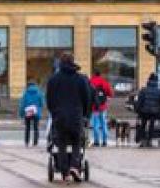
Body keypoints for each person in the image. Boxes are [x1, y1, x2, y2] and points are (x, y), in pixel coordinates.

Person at [46, 53, 92, 181]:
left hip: (59, 117)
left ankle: (64, 171)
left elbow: (49, 99)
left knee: (61, 143)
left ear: (60, 63)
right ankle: (75, 166)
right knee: (77, 142)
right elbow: (87, 98)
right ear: (72, 62)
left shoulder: (53, 80)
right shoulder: (80, 79)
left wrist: (54, 112)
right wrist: (86, 114)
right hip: (76, 116)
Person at [135, 74, 160, 147]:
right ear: (156, 81)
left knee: (143, 125)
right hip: (154, 112)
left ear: (148, 80)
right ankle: (149, 140)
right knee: (151, 125)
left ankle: (142, 141)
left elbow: (139, 102)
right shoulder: (159, 91)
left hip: (144, 111)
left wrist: (138, 110)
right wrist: (158, 108)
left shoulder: (143, 90)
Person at [88, 69, 114, 147]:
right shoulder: (104, 82)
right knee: (103, 124)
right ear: (100, 75)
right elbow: (111, 94)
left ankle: (96, 141)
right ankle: (104, 141)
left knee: (95, 124)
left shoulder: (90, 82)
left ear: (94, 74)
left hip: (93, 107)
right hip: (103, 107)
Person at [20, 80, 45, 147]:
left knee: (27, 128)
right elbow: (42, 103)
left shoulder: (25, 93)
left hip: (28, 112)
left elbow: (22, 104)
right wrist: (39, 107)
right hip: (36, 112)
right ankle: (35, 143)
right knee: (36, 128)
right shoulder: (39, 93)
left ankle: (27, 142)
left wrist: (21, 114)